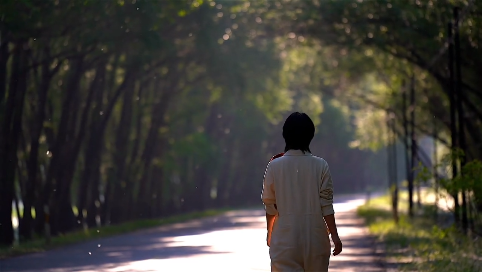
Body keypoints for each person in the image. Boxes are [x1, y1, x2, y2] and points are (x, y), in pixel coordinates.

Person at [261, 112, 342, 272]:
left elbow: (270, 205)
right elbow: (326, 206)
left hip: (285, 239)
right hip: (316, 240)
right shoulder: (321, 166)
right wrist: (335, 236)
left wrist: (270, 232)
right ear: (310, 135)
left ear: (285, 135)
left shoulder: (274, 166)